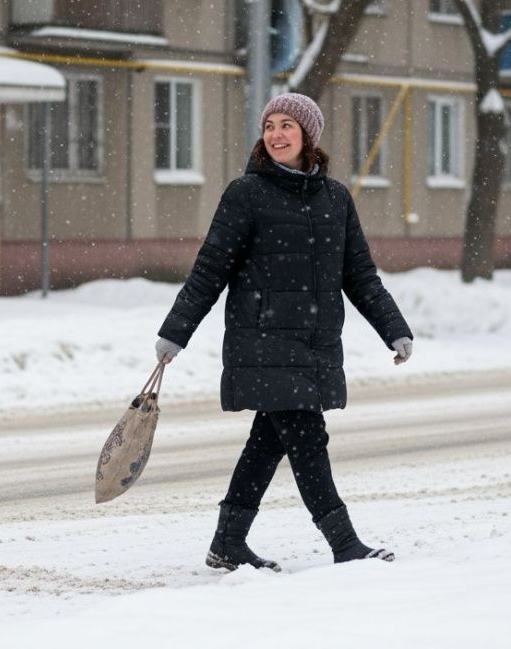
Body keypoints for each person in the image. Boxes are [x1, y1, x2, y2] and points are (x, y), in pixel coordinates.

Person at [155, 92, 414, 572]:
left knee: (267, 443)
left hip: (314, 341)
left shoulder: (335, 198)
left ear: (307, 135)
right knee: (308, 437)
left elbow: (359, 274)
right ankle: (344, 543)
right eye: (269, 125)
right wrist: (177, 332)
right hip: (264, 337)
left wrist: (393, 328)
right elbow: (210, 269)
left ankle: (228, 542)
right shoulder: (246, 194)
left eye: (286, 125)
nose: (276, 134)